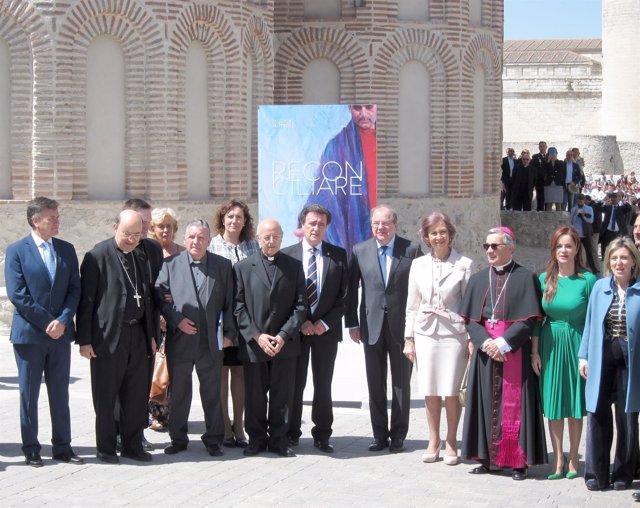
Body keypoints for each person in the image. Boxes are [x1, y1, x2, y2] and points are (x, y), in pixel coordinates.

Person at [460, 226, 547, 481]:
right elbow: (470, 320)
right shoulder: (478, 280)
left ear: (510, 247)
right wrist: (486, 343)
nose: (489, 250)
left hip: (514, 352)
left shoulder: (525, 277)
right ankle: (487, 458)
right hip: (485, 352)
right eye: (486, 246)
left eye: (495, 246)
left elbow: (529, 319)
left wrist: (503, 344)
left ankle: (518, 461)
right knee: (484, 404)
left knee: (515, 406)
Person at [4, 197, 82, 467]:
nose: (58, 221)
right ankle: (31, 447)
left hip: (60, 335)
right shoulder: (16, 251)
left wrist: (62, 321)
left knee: (60, 392)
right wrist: (47, 322)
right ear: (35, 221)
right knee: (29, 393)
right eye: (52, 217)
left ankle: (63, 446)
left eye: (58, 216)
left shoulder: (66, 250)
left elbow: (75, 290)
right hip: (30, 335)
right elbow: (18, 295)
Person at [76, 210, 157, 464]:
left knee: (135, 393)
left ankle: (133, 445)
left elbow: (149, 297)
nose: (132, 240)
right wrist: (84, 340)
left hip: (138, 333)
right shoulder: (97, 256)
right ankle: (107, 448)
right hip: (108, 336)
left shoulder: (139, 255)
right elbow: (86, 302)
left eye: (136, 234)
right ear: (114, 227)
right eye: (127, 234)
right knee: (106, 394)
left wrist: (152, 334)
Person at [155, 219, 236, 457]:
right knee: (179, 391)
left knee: (212, 392)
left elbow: (230, 303)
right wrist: (176, 319)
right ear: (184, 239)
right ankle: (178, 438)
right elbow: (160, 295)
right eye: (191, 237)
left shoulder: (223, 266)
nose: (196, 242)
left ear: (209, 241)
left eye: (201, 238)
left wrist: (230, 334)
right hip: (180, 340)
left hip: (211, 341)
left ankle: (213, 439)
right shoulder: (170, 264)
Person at [346, 205, 422, 453]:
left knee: (402, 383)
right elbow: (350, 290)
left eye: (386, 223)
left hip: (402, 327)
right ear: (371, 226)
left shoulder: (410, 249)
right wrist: (353, 323)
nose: (381, 227)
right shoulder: (360, 250)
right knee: (375, 383)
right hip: (371, 326)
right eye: (376, 223)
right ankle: (379, 435)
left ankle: (399, 435)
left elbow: (420, 288)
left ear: (395, 225)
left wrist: (416, 326)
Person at [403, 212, 472, 465]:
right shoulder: (417, 265)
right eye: (433, 233)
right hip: (425, 333)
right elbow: (412, 304)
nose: (438, 237)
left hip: (454, 334)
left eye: (443, 232)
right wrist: (408, 338)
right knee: (430, 390)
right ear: (426, 236)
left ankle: (452, 441)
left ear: (450, 234)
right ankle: (433, 440)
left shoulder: (464, 263)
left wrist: (471, 337)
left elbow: (469, 304)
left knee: (451, 390)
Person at [234, 218, 307, 457]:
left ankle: (279, 440)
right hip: (256, 344)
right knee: (254, 395)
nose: (271, 241)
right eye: (266, 237)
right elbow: (238, 307)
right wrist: (256, 335)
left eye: (275, 236)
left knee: (281, 395)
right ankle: (256, 439)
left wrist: (284, 335)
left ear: (282, 237)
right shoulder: (243, 268)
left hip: (284, 344)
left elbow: (300, 306)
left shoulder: (294, 266)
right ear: (258, 239)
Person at [531, 227, 596, 480]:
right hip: (550, 345)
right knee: (554, 403)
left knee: (574, 403)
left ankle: (574, 457)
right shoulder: (544, 279)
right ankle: (557, 457)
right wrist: (534, 353)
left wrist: (589, 354)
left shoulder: (588, 280)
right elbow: (538, 318)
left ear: (577, 249)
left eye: (569, 246)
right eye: (559, 246)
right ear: (553, 250)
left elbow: (593, 319)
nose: (564, 251)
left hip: (577, 343)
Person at [282, 204, 349, 453]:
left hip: (325, 333)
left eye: (321, 224)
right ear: (302, 225)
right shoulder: (287, 255)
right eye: (312, 223)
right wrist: (301, 323)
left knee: (323, 384)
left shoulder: (338, 255)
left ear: (326, 227)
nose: (316, 228)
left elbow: (344, 297)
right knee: (294, 384)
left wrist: (323, 323)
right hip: (295, 333)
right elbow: (283, 297)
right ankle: (291, 433)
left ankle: (322, 434)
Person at [579, 237, 640, 492]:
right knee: (597, 414)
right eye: (614, 258)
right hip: (602, 355)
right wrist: (584, 356)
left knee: (627, 417)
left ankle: (624, 472)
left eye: (624, 257)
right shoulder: (600, 287)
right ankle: (596, 473)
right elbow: (590, 323)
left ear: (634, 262)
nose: (619, 262)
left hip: (631, 358)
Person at [208, 199, 259, 448]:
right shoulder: (213, 246)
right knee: (221, 373)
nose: (234, 221)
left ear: (245, 221)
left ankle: (240, 425)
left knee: (240, 372)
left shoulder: (253, 246)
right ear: (222, 219)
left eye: (239, 217)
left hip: (246, 319)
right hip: (221, 319)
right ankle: (225, 426)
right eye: (230, 216)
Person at [304, 104, 377, 256]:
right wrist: (309, 218)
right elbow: (323, 188)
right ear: (350, 109)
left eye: (369, 107)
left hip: (381, 224)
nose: (363, 113)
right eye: (357, 108)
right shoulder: (337, 145)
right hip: (357, 228)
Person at [147, 207, 185, 431]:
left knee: (174, 368)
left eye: (169, 226)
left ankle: (171, 413)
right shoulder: (147, 252)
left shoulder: (182, 252)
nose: (165, 230)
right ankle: (153, 414)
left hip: (178, 318)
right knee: (155, 368)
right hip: (154, 319)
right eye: (161, 225)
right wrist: (160, 313)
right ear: (152, 228)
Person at [570, 194, 597, 274]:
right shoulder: (573, 209)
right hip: (577, 234)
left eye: (581, 200)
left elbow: (591, 221)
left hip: (585, 234)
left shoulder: (589, 209)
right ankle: (575, 269)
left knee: (589, 252)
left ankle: (593, 270)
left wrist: (583, 216)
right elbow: (571, 221)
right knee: (576, 252)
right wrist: (575, 214)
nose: (580, 202)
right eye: (578, 200)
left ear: (584, 200)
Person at [600, 191, 632, 258]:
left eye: (615, 198)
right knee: (606, 246)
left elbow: (629, 208)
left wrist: (622, 200)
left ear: (618, 199)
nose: (614, 200)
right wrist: (604, 199)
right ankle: (605, 258)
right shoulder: (607, 207)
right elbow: (598, 207)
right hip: (608, 231)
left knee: (617, 247)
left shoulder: (621, 208)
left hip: (618, 232)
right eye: (612, 198)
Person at [544, 147, 565, 211]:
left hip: (558, 184)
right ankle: (548, 218)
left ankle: (558, 218)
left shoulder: (560, 162)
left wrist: (555, 160)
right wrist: (548, 161)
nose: (552, 154)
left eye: (554, 152)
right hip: (549, 184)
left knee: (558, 203)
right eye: (550, 153)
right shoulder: (546, 163)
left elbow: (560, 169)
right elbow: (545, 170)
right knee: (549, 203)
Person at [532, 141, 548, 211]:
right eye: (541, 146)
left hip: (548, 181)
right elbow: (535, 169)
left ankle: (547, 212)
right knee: (540, 198)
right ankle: (540, 212)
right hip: (539, 181)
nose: (542, 147)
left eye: (543, 146)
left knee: (548, 198)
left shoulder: (549, 156)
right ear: (539, 147)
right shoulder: (535, 157)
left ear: (546, 147)